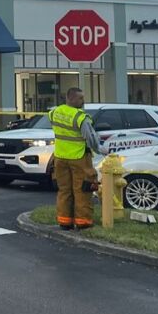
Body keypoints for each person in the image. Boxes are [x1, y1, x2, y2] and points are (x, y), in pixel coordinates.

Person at [49, 87, 107, 230]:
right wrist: (100, 149)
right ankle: (83, 222)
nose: (83, 101)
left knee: (64, 190)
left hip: (60, 157)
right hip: (79, 157)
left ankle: (64, 221)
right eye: (80, 98)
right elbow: (91, 138)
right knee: (83, 190)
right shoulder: (80, 117)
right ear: (71, 98)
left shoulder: (54, 112)